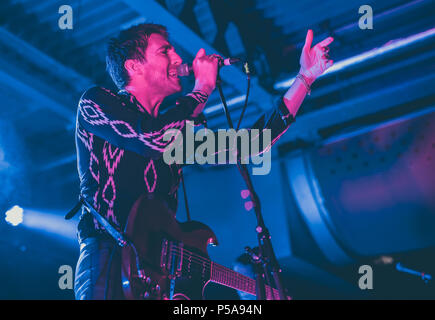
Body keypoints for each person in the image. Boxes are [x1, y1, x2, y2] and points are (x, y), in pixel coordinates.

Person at [73, 23, 333, 300]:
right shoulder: (95, 103)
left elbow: (252, 143)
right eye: (165, 51)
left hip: (154, 280)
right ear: (134, 66)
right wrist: (202, 88)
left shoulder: (176, 139)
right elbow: (149, 138)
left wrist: (304, 78)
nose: (177, 59)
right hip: (107, 260)